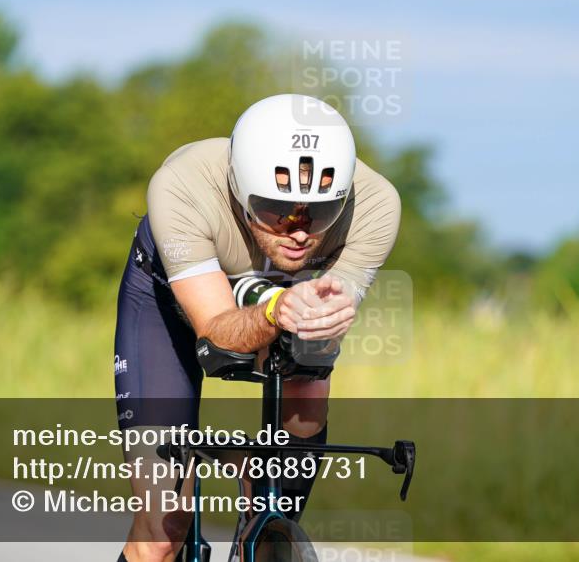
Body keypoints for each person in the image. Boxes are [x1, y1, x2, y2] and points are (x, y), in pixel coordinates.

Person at [113, 94, 401, 562]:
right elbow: (217, 335)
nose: (300, 231)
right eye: (276, 209)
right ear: (241, 190)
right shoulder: (181, 185)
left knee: (309, 381)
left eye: (320, 212)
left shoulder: (376, 205)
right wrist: (273, 311)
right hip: (169, 300)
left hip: (286, 296)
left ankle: (263, 522)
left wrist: (303, 317)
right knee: (162, 531)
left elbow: (317, 330)